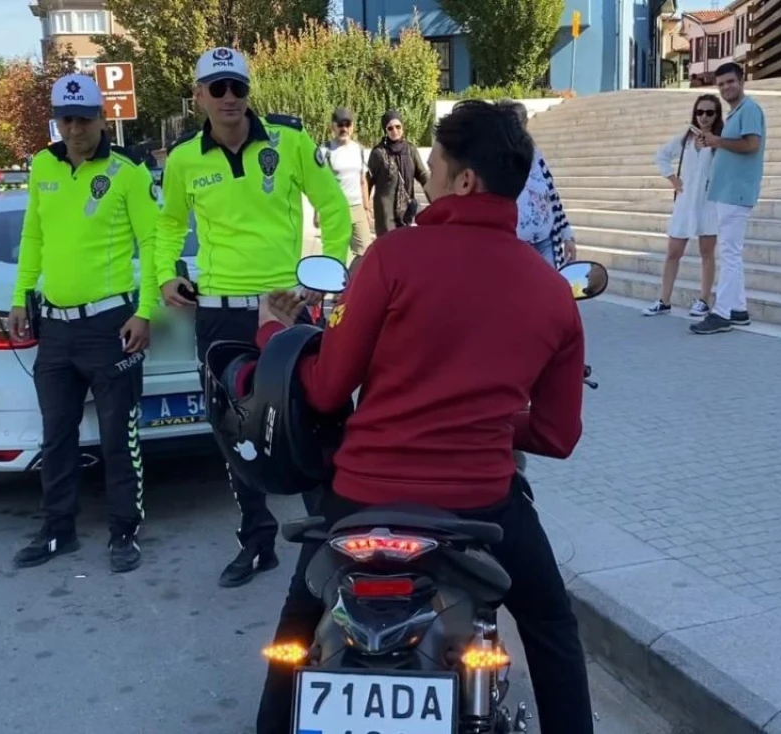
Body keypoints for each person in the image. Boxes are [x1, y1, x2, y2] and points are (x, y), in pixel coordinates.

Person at [249, 99, 594, 734]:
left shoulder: (391, 257)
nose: (425, 177)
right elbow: (557, 435)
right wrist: (485, 420)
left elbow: (326, 390)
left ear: (465, 180)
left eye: (434, 164)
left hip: (361, 498)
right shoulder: (551, 292)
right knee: (549, 625)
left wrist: (275, 337)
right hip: (482, 506)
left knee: (298, 625)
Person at [154, 46, 352, 588]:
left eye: (236, 87)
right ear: (198, 96)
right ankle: (257, 541)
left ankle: (335, 541)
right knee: (235, 431)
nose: (228, 98)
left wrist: (322, 274)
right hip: (219, 316)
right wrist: (165, 278)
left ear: (247, 92)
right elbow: (168, 226)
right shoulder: (184, 161)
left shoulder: (288, 144)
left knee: (310, 421)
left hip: (287, 309)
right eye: (216, 89)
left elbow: (334, 211)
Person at [7, 73, 158, 573]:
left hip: (111, 325)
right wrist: (18, 298)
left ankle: (124, 532)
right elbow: (33, 237)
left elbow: (153, 243)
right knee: (56, 436)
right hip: (55, 328)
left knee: (119, 437)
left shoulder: (127, 172)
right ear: (58, 119)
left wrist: (145, 310)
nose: (75, 128)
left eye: (84, 118)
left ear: (101, 118)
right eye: (66, 118)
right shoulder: (42, 167)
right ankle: (58, 531)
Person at [691, 62, 766, 335]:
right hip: (728, 193)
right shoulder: (737, 113)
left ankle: (722, 313)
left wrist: (718, 141)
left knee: (730, 255)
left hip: (737, 192)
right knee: (731, 253)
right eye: (721, 84)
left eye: (730, 82)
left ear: (742, 81)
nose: (726, 88)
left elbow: (751, 145)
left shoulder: (749, 110)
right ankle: (738, 309)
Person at [645, 94, 723, 318]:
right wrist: (672, 178)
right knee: (673, 252)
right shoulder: (686, 138)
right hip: (685, 202)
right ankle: (664, 300)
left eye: (709, 113)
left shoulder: (720, 140)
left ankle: (704, 300)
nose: (704, 117)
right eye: (700, 112)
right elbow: (661, 155)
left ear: (717, 115)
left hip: (709, 203)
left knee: (707, 253)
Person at [500, 100, 577, 268]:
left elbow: (552, 196)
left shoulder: (536, 156)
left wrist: (567, 235)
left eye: (522, 124)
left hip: (546, 242)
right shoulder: (495, 163)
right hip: (514, 247)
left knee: (548, 291)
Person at [316, 107, 374, 260]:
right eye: (340, 124)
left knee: (366, 253)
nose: (344, 128)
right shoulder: (325, 150)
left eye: (347, 124)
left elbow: (363, 181)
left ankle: (350, 281)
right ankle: (335, 283)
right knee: (334, 255)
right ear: (333, 126)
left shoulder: (358, 149)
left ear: (353, 127)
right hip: (336, 209)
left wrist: (367, 209)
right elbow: (319, 185)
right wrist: (318, 211)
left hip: (357, 208)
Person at [366, 109, 429, 236]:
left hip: (406, 212)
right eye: (390, 128)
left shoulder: (410, 150)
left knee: (406, 249)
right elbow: (367, 181)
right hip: (385, 214)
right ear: (385, 130)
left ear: (403, 127)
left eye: (398, 126)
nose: (395, 131)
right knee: (388, 250)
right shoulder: (378, 153)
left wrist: (435, 196)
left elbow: (423, 175)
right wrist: (365, 208)